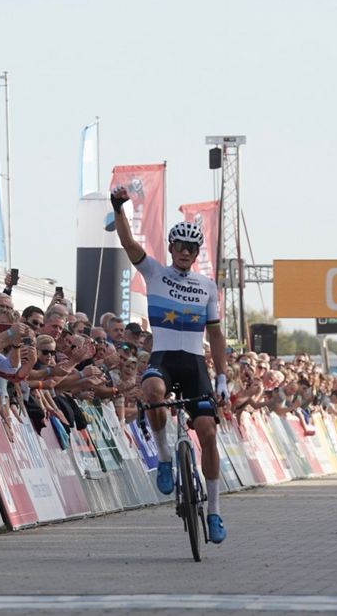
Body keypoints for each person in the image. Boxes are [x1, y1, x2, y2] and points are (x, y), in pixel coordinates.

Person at [109, 185, 230, 543]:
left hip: (195, 365)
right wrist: (118, 207)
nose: (184, 252)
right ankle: (164, 457)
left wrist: (222, 377)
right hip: (163, 358)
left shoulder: (207, 286)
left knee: (208, 435)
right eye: (179, 246)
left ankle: (214, 513)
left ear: (196, 253)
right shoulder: (155, 273)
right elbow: (129, 244)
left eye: (191, 248)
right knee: (151, 390)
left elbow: (218, 336)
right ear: (172, 248)